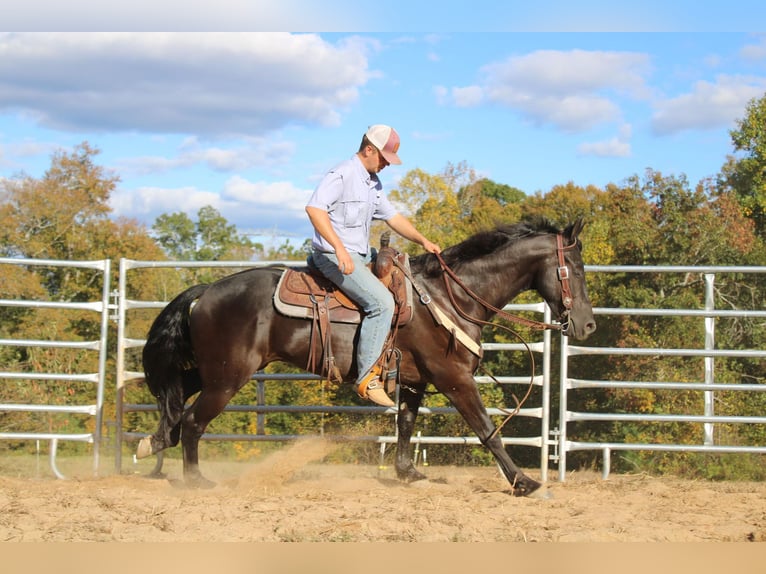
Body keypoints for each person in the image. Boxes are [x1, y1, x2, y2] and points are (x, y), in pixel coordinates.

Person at [305, 124, 441, 407]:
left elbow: (393, 217)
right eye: (384, 159)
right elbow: (314, 209)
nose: (386, 165)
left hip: (360, 254)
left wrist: (424, 240)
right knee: (382, 304)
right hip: (332, 256)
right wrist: (339, 249)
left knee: (402, 288)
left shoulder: (372, 183)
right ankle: (367, 377)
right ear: (369, 149)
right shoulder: (341, 174)